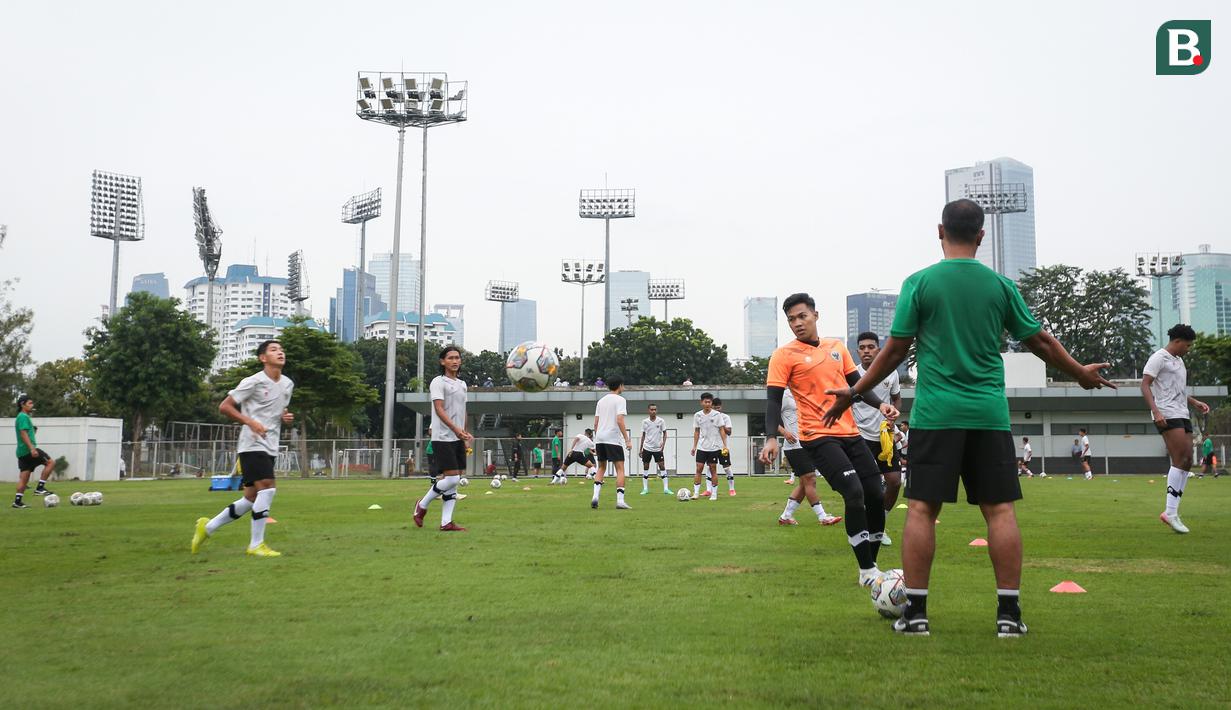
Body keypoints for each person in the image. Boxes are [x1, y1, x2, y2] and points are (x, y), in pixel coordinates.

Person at [825, 199, 1113, 637]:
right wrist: (1079, 374)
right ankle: (1009, 617)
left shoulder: (919, 283)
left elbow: (896, 351)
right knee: (999, 511)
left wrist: (855, 391)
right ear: (981, 235)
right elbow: (1041, 341)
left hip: (937, 415)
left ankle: (916, 615)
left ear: (940, 231)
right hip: (988, 415)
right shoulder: (1000, 286)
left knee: (921, 509)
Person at [758, 293, 896, 588]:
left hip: (851, 433)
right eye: (791, 319)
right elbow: (772, 401)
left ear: (815, 316)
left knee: (875, 491)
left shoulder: (836, 347)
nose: (797, 323)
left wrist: (880, 405)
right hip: (817, 437)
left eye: (802, 316)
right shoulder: (783, 355)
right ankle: (867, 569)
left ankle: (869, 569)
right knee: (854, 492)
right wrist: (771, 437)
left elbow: (855, 386)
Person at [192, 340, 295, 556]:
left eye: (281, 349)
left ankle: (207, 527)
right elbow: (225, 406)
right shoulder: (253, 381)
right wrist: (250, 422)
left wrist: (285, 418)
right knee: (268, 488)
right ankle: (256, 544)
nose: (280, 352)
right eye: (274, 350)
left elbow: (278, 411)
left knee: (251, 498)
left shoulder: (287, 384)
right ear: (263, 358)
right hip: (251, 444)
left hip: (270, 445)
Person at [1142, 324, 1210, 533]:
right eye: (1187, 345)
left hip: (1182, 412)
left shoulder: (1179, 361)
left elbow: (1176, 389)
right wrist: (1157, 412)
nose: (1188, 349)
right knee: (1180, 459)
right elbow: (1145, 385)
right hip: (1166, 413)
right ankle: (1170, 513)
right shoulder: (1159, 357)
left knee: (1188, 461)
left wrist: (1193, 402)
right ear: (1177, 341)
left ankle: (1171, 512)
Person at [413, 345, 474, 532]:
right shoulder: (438, 382)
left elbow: (463, 410)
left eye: (457, 358)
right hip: (442, 437)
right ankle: (421, 506)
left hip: (457, 438)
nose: (455, 361)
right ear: (442, 361)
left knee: (454, 480)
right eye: (450, 358)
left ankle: (446, 522)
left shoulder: (462, 384)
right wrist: (455, 429)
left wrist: (464, 433)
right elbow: (439, 409)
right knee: (453, 479)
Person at [854, 332, 903, 545]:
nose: (866, 351)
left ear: (878, 350)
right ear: (857, 351)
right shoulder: (851, 374)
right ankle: (864, 527)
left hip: (885, 435)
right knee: (868, 486)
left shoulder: (890, 373)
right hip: (860, 437)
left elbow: (897, 399)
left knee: (894, 482)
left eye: (871, 347)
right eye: (862, 347)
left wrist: (893, 415)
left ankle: (880, 524)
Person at [776, 388, 842, 526]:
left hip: (808, 442)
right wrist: (784, 432)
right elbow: (770, 417)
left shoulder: (804, 391)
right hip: (794, 445)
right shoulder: (783, 395)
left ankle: (785, 516)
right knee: (810, 479)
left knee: (804, 483)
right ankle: (823, 517)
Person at [591, 376, 632, 509]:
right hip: (613, 438)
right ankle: (620, 501)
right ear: (620, 385)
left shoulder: (601, 401)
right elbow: (620, 420)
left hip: (600, 438)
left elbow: (596, 423)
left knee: (601, 467)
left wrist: (598, 438)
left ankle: (595, 497)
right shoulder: (620, 400)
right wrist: (627, 439)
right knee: (620, 468)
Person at [12, 395, 55, 509]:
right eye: (30, 403)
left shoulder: (21, 417)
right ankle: (40, 488)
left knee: (24, 478)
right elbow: (23, 433)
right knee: (50, 462)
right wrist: (32, 448)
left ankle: (17, 502)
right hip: (28, 450)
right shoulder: (23, 417)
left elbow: (25, 433)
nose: (32, 405)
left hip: (21, 452)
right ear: (22, 404)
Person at [691, 392, 728, 501]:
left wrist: (725, 445)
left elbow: (722, 430)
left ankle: (714, 494)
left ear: (711, 403)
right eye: (705, 402)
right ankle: (696, 493)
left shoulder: (717, 415)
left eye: (709, 402)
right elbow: (696, 431)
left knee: (713, 469)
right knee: (699, 468)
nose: (707, 404)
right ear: (701, 402)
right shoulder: (697, 415)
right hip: (702, 447)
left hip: (714, 447)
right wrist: (694, 446)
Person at [638, 403, 671, 495]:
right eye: (652, 409)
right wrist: (640, 449)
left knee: (662, 466)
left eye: (655, 409)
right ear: (648, 410)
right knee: (646, 467)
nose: (653, 411)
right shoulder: (645, 422)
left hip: (657, 449)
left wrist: (663, 445)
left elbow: (665, 434)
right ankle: (645, 489)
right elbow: (643, 435)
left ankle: (666, 489)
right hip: (647, 448)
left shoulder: (661, 421)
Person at [712, 398, 737, 496]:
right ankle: (709, 490)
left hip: (723, 447)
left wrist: (721, 426)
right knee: (710, 468)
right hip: (711, 447)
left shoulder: (725, 417)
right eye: (715, 408)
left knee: (726, 467)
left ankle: (732, 489)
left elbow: (729, 432)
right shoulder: (709, 417)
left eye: (719, 407)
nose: (717, 409)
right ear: (712, 407)